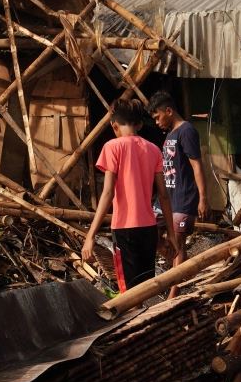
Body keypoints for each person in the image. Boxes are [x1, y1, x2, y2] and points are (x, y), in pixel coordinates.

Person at [82, 99, 177, 293]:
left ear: (114, 125)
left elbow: (108, 193)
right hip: (149, 229)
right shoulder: (153, 149)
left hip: (125, 230)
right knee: (145, 289)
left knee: (128, 292)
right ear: (139, 124)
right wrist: (172, 234)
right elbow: (164, 196)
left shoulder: (112, 147)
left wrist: (90, 235)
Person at [148, 91, 207, 298]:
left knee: (179, 243)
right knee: (150, 234)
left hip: (183, 198)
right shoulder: (170, 135)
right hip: (166, 199)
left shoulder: (187, 131)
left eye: (157, 117)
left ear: (169, 111)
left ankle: (173, 293)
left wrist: (203, 198)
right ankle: (180, 268)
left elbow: (197, 165)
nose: (156, 122)